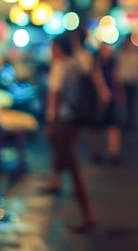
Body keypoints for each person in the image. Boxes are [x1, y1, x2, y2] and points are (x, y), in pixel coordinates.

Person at [44, 32, 96, 232]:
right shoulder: (74, 64)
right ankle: (86, 214)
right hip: (74, 120)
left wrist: (51, 123)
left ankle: (87, 215)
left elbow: (55, 96)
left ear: (58, 48)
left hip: (64, 121)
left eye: (53, 46)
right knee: (68, 162)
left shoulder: (59, 66)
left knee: (73, 167)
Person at [91, 42, 124, 164]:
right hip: (100, 98)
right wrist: (103, 91)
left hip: (112, 96)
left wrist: (119, 92)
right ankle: (98, 152)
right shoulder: (97, 63)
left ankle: (113, 152)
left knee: (113, 125)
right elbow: (96, 76)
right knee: (97, 126)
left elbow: (116, 77)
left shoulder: (112, 62)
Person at [116, 37, 138, 134]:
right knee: (123, 103)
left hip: (133, 81)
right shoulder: (120, 54)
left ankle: (132, 124)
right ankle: (124, 124)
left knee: (132, 104)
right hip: (123, 82)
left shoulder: (136, 55)